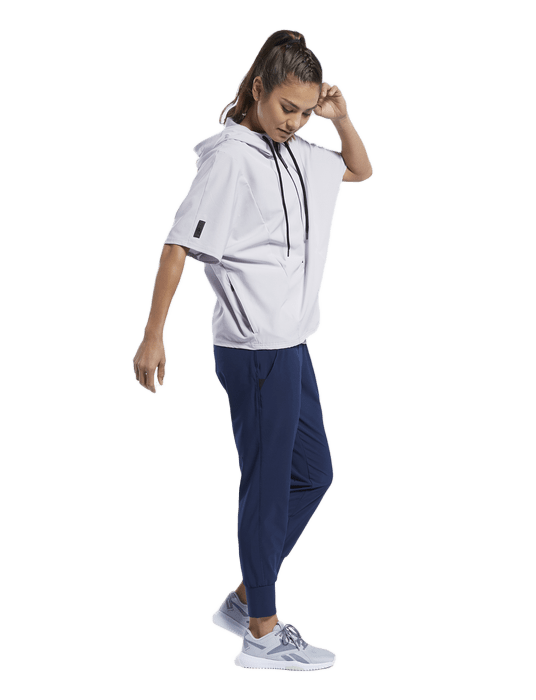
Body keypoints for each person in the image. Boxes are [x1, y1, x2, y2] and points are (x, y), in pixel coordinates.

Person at [132, 28, 373, 673]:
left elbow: (359, 169)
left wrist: (339, 116)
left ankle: (244, 598)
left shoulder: (296, 150)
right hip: (254, 348)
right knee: (266, 487)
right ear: (258, 89)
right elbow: (178, 244)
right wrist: (153, 334)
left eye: (305, 112)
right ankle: (262, 631)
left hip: (292, 343)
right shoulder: (229, 157)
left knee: (313, 473)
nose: (295, 122)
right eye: (286, 108)